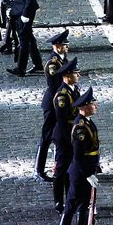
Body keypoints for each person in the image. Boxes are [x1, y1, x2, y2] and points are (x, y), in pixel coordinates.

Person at [55, 87, 101, 225]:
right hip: (80, 173)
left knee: (84, 206)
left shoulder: (87, 123)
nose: (96, 106)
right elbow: (79, 156)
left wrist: (95, 166)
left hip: (87, 169)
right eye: (93, 104)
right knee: (70, 208)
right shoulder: (80, 128)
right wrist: (88, 174)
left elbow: (92, 148)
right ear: (84, 107)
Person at [37, 30, 72, 180]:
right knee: (47, 137)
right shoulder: (53, 63)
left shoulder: (62, 59)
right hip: (53, 105)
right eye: (65, 45)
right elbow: (55, 87)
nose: (67, 47)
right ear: (57, 46)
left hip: (60, 104)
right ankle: (39, 169)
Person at [50, 59, 82, 212]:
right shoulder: (62, 96)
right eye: (76, 73)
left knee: (71, 169)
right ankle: (58, 201)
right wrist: (72, 139)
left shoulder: (74, 90)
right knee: (61, 170)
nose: (79, 75)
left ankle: (71, 198)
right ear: (68, 75)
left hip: (71, 136)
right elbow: (63, 121)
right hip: (64, 137)